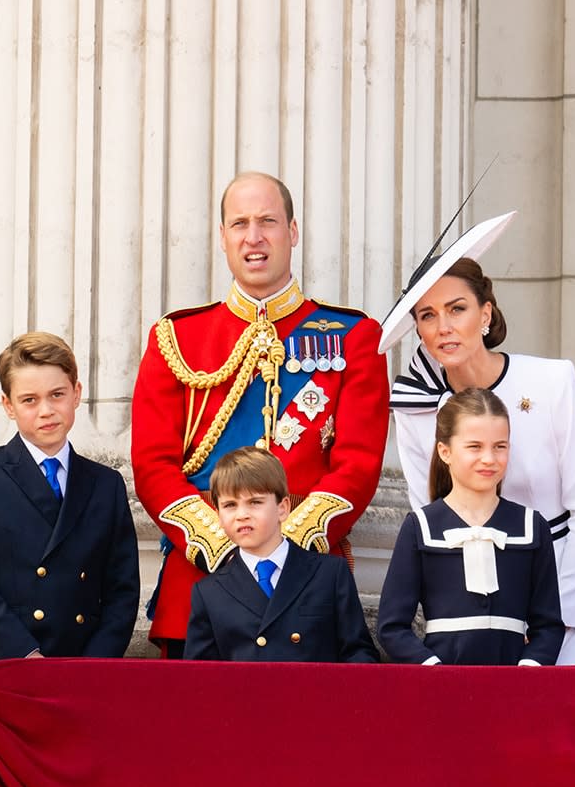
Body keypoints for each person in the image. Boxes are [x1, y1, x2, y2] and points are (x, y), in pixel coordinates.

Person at [131, 171, 390, 657]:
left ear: (292, 232)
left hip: (308, 587)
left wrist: (281, 548)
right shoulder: (176, 338)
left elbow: (357, 465)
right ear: (223, 238)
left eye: (268, 221)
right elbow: (152, 465)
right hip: (202, 581)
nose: (254, 237)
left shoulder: (355, 336)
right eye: (240, 223)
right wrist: (226, 545)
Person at [386, 257, 575, 664]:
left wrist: (561, 615)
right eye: (428, 315)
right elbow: (428, 510)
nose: (444, 327)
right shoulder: (414, 407)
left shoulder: (552, 381)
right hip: (475, 606)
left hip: (560, 581)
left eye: (457, 309)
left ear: (485, 312)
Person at [0, 332, 140, 660]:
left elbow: (122, 590)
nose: (46, 410)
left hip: (80, 668)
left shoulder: (106, 484)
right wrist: (25, 654)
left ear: (76, 394)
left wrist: (91, 666)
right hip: (2, 662)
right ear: (8, 405)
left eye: (57, 395)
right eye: (29, 400)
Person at [378, 388, 564, 665]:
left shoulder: (532, 526)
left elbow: (548, 625)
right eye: (475, 447)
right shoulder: (420, 526)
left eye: (500, 446)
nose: (489, 458)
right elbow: (391, 627)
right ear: (445, 451)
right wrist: (433, 669)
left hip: (514, 689)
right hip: (440, 689)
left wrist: (529, 669)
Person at [184, 447, 379, 662]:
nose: (242, 515)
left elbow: (359, 655)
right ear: (218, 515)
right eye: (230, 505)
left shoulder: (330, 574)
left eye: (255, 502)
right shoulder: (209, 592)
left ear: (282, 508)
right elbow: (200, 678)